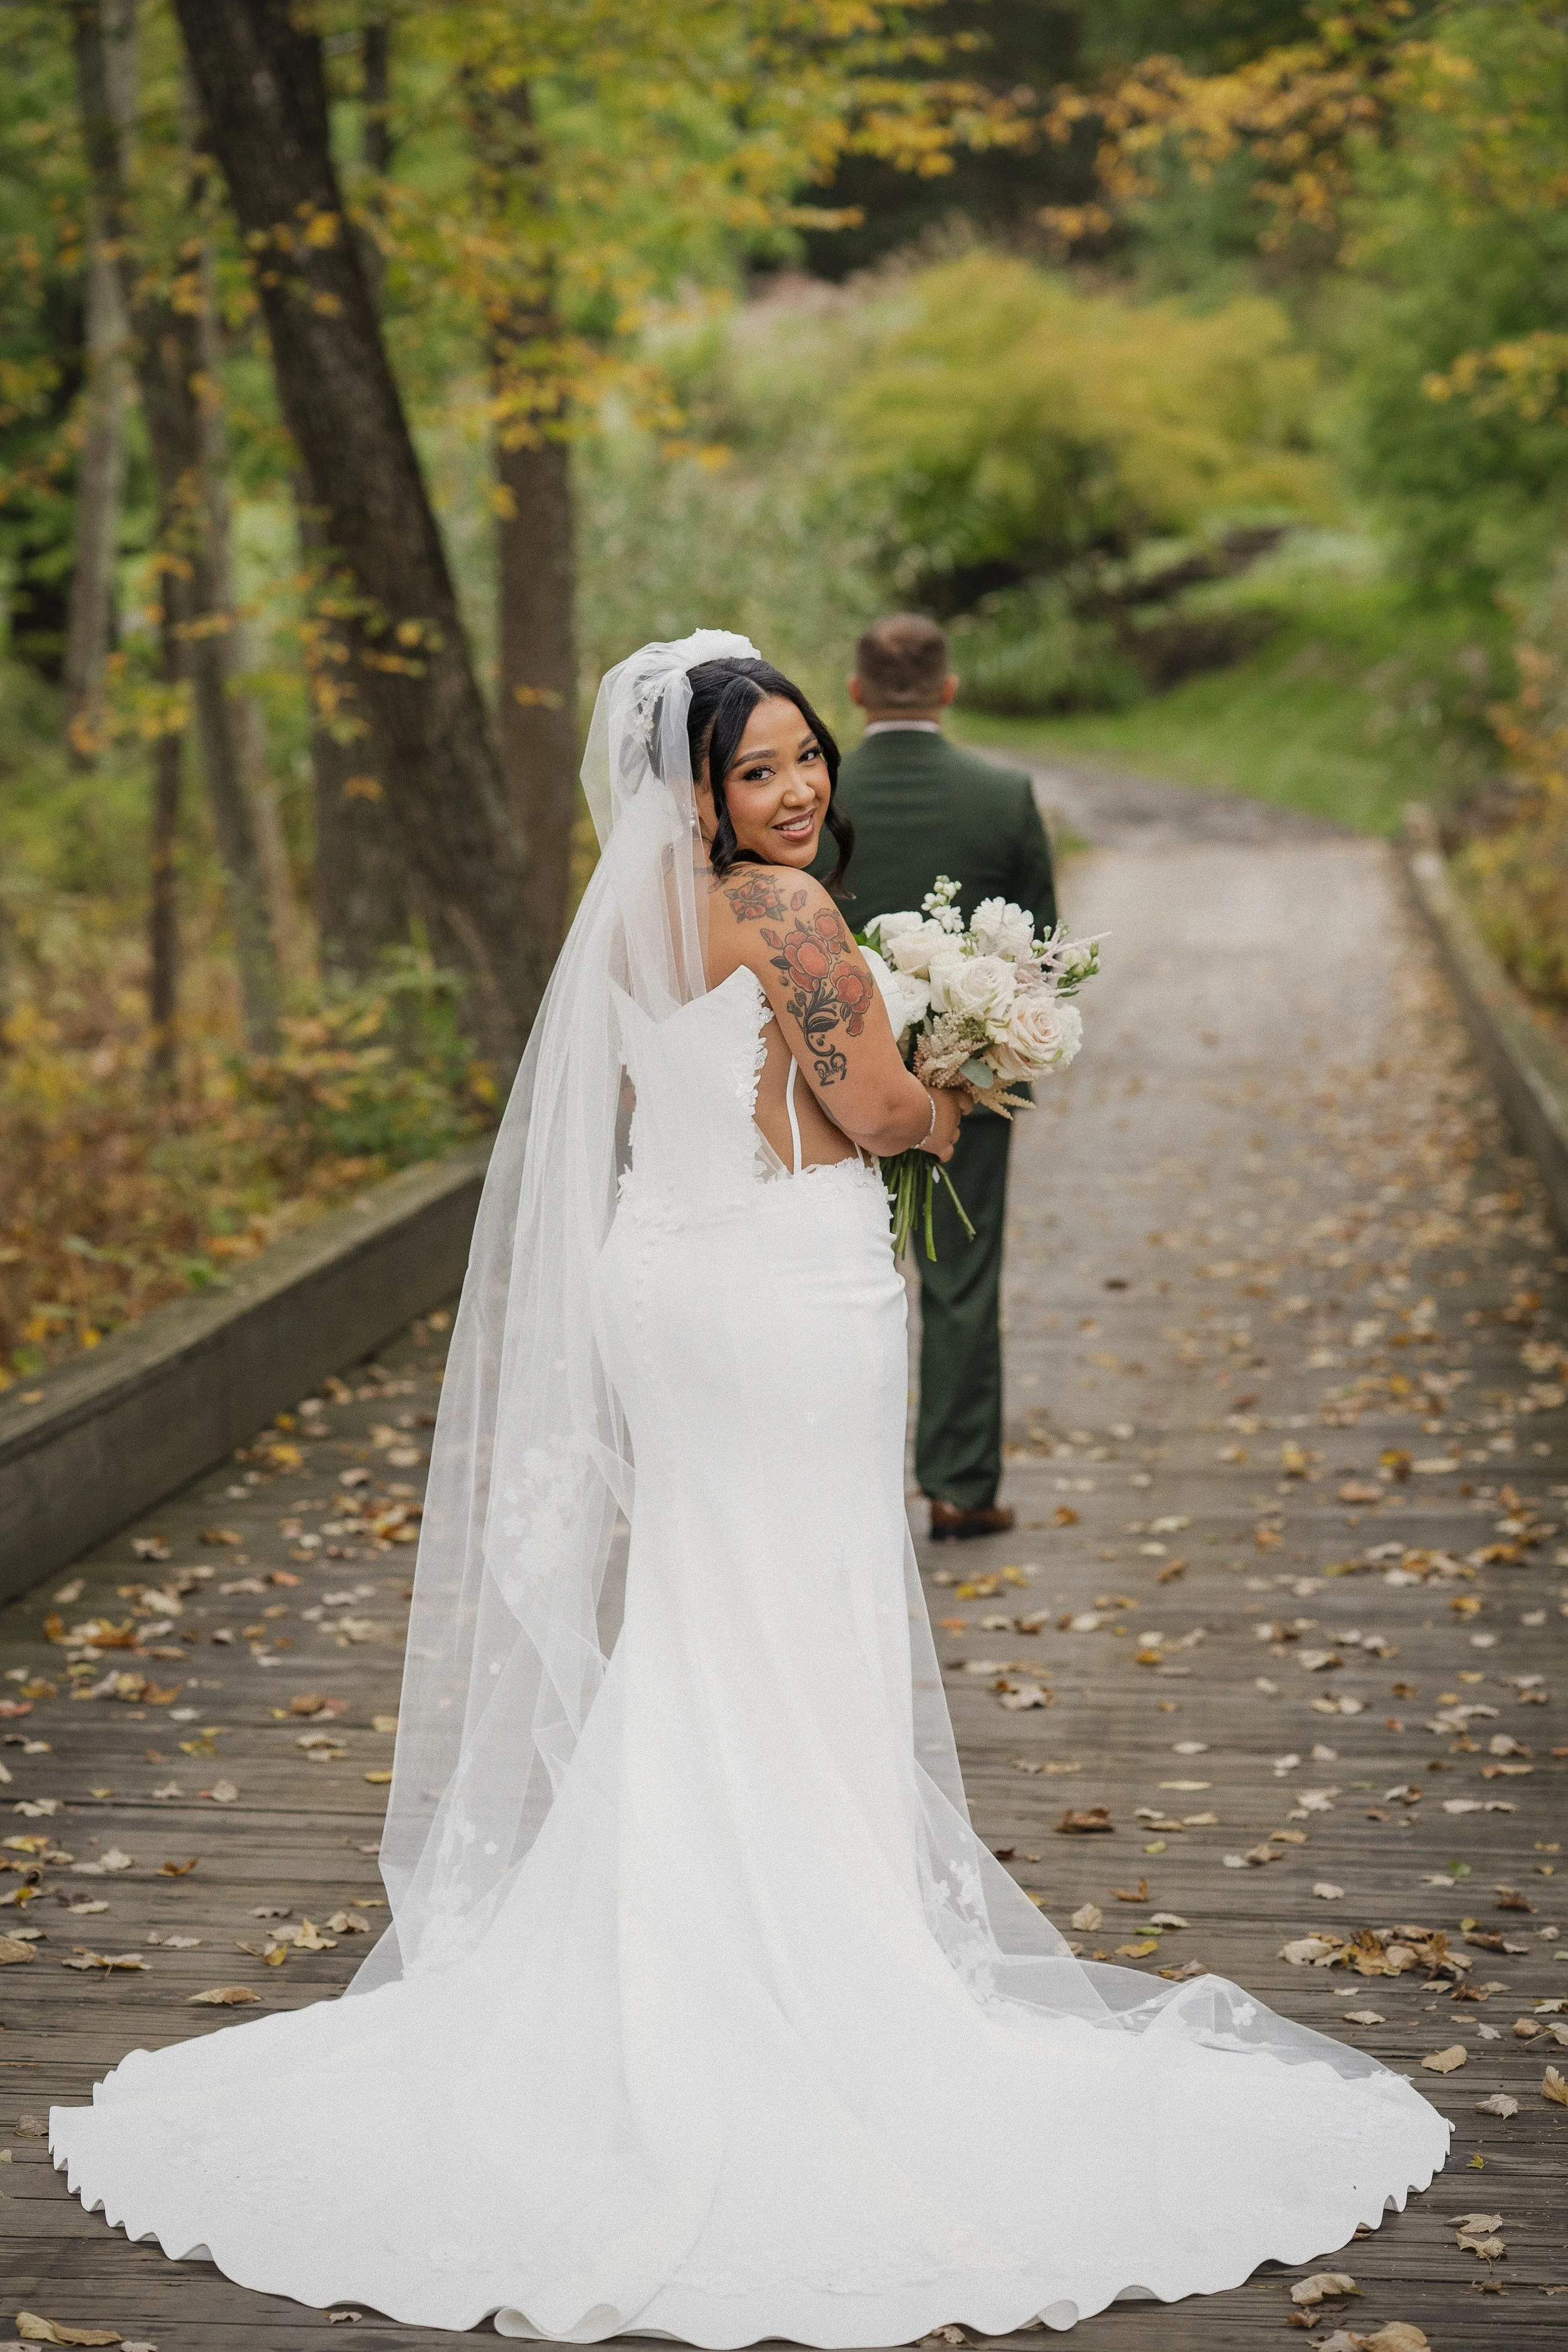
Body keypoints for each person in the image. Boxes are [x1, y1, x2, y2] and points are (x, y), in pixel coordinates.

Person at [52, 632, 1447, 2344]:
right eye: (762, 765)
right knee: (806, 1603)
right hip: (786, 1295)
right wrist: (956, 1094)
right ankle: (809, 1966)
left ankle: (672, 1933)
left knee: (714, 1607)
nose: (798, 788)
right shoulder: (787, 917)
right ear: (694, 785)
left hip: (669, 1278)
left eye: (808, 756)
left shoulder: (628, 912)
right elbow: (863, 1105)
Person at [822, 612, 1056, 1540]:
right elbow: (1040, 951)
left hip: (832, 1083)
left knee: (838, 1272)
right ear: (949, 689)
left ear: (855, 692)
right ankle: (960, 1485)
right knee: (960, 1280)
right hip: (972, 1085)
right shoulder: (1004, 795)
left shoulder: (813, 791)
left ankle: (842, 1484)